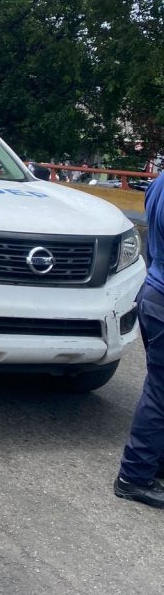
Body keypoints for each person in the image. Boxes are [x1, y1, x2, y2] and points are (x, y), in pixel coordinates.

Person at [114, 172, 164, 508]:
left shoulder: (160, 180)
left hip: (154, 291)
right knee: (160, 393)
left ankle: (152, 465)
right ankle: (134, 476)